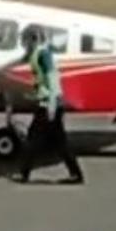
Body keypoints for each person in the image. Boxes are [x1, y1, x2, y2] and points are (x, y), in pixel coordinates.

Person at [15, 25, 84, 185]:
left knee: (33, 139)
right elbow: (23, 61)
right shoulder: (35, 54)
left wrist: (51, 105)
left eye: (25, 39)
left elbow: (53, 79)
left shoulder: (43, 55)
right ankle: (76, 174)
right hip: (48, 103)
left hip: (49, 103)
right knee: (59, 142)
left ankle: (24, 173)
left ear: (33, 39)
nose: (23, 43)